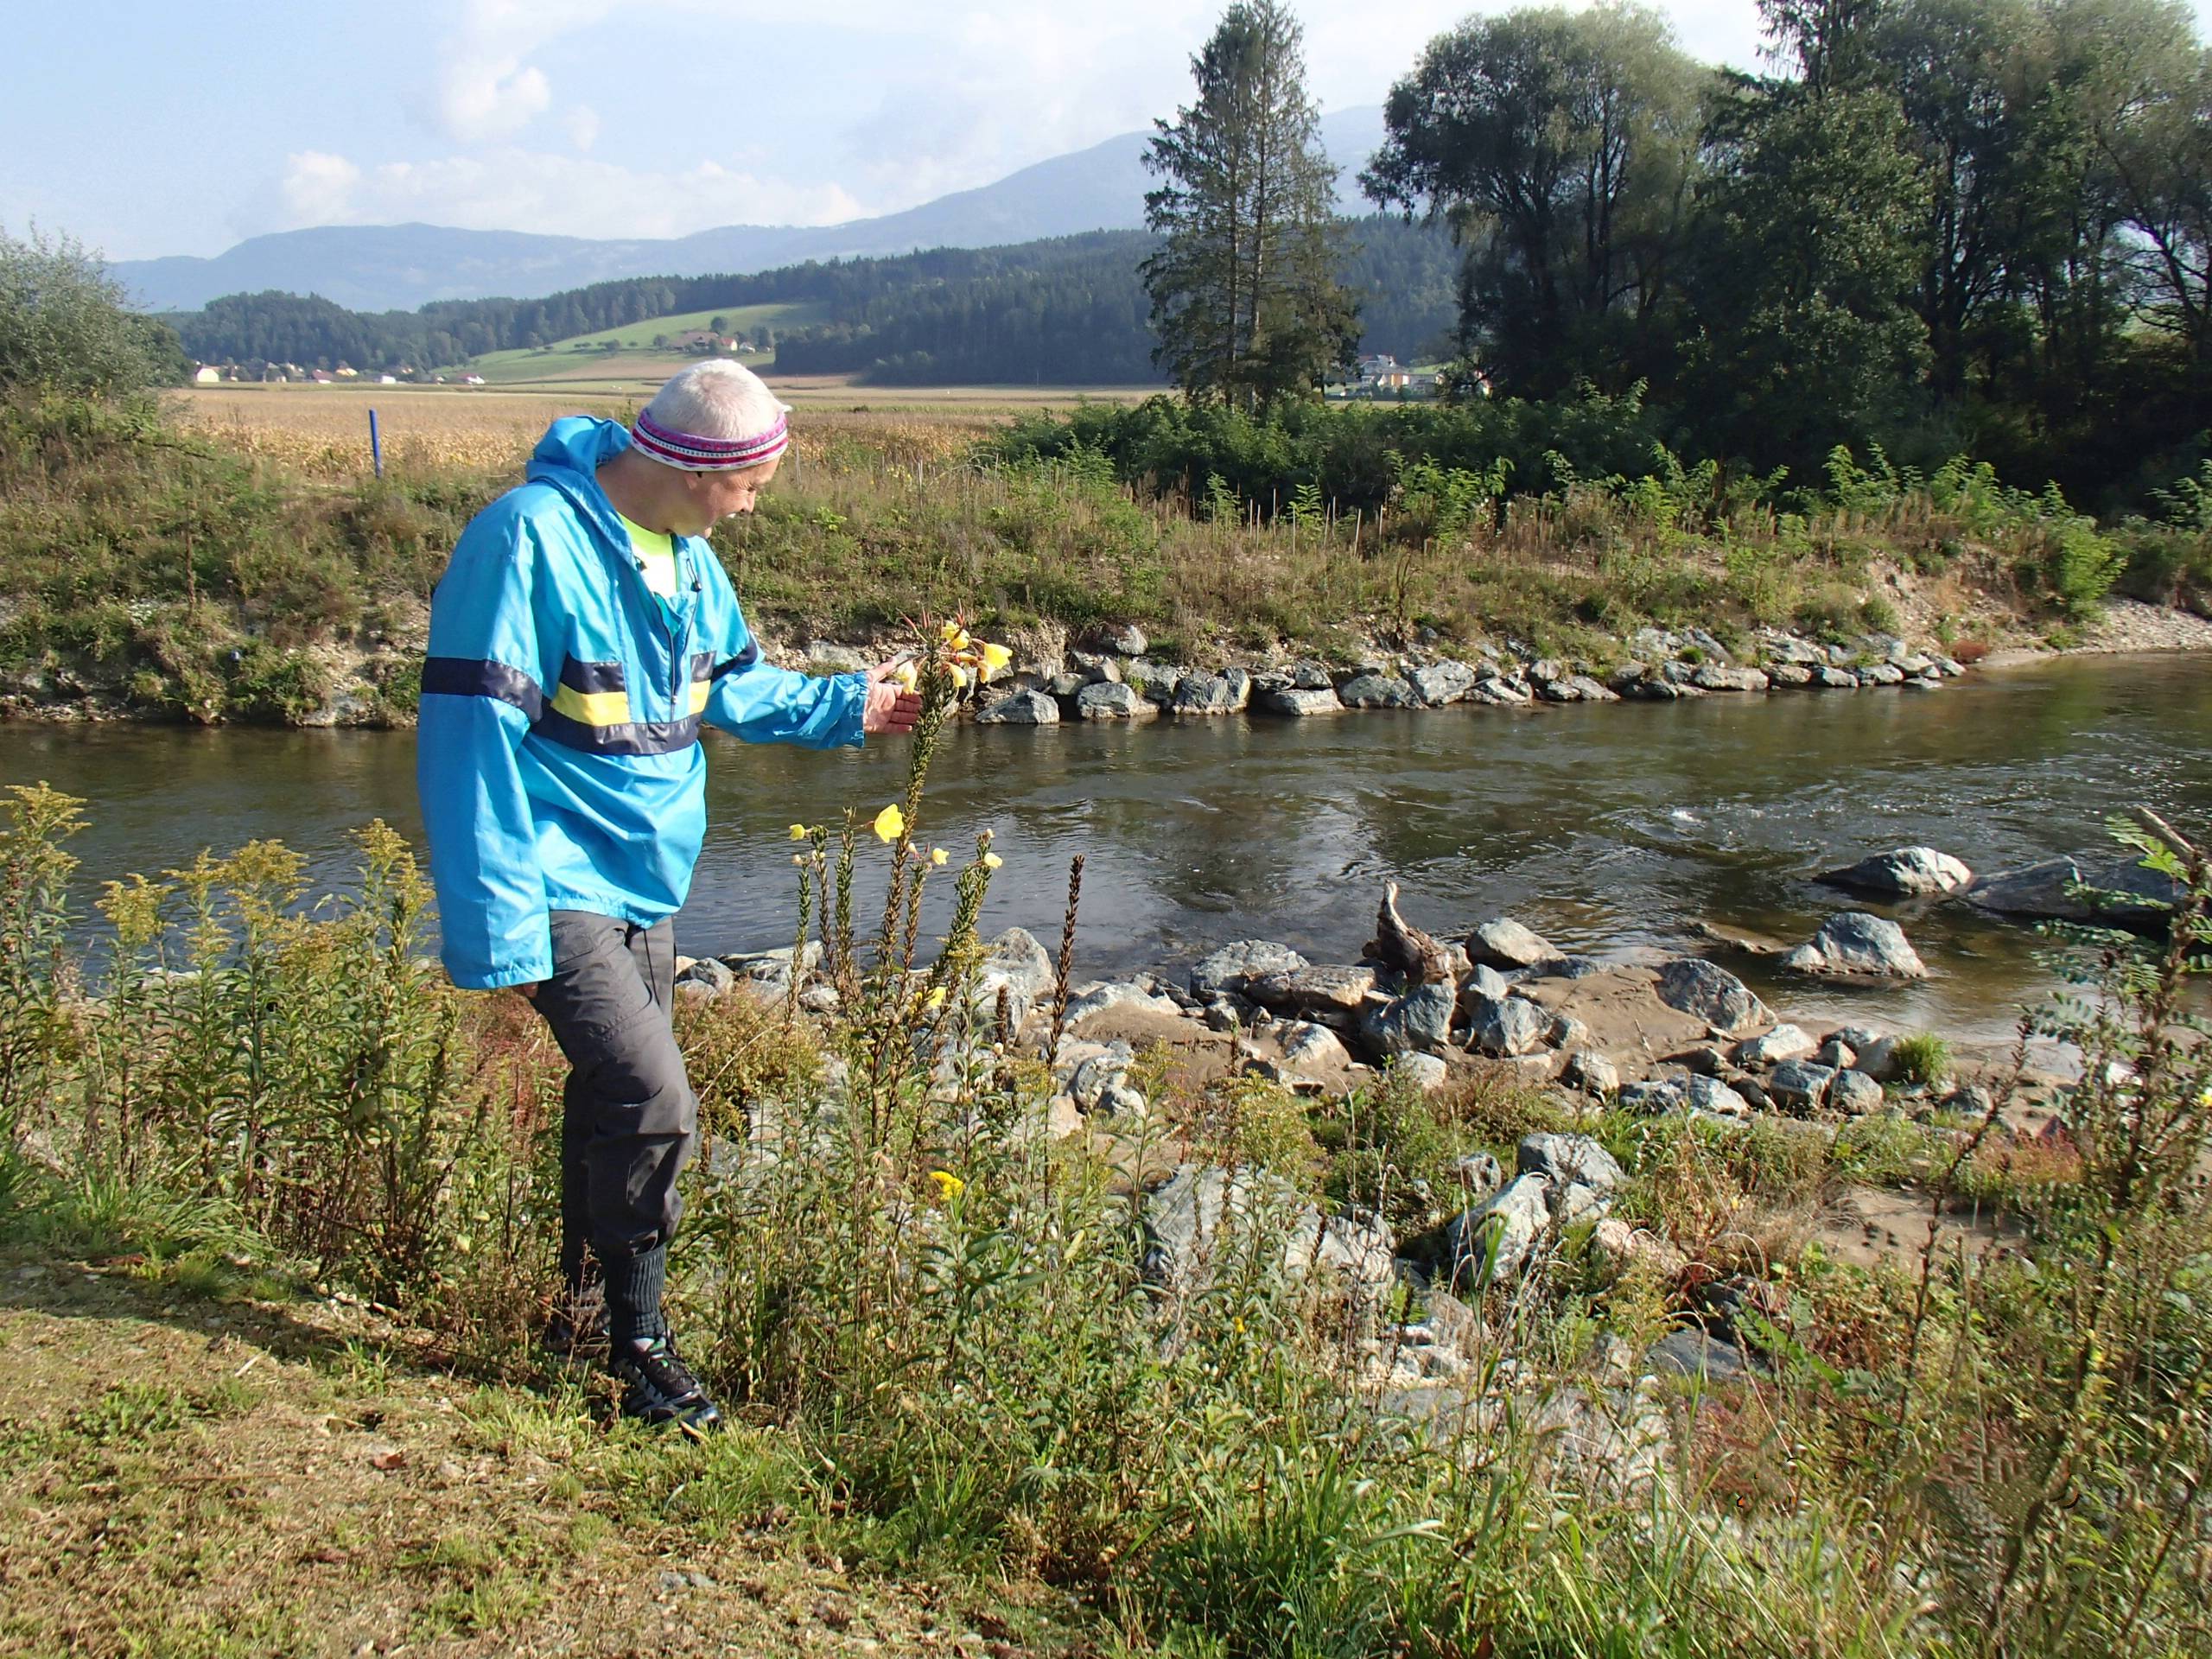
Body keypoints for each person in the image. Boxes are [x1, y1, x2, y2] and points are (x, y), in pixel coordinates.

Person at [416, 361, 919, 1433]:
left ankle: (577, 1319)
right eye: (754, 486)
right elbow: (469, 742)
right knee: (655, 1101)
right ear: (702, 470)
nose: (755, 506)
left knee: (612, 1101)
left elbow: (730, 682)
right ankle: (642, 1353)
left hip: (646, 877)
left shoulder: (687, 559)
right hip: (552, 879)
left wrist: (852, 705)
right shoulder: (525, 540)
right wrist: (500, 922)